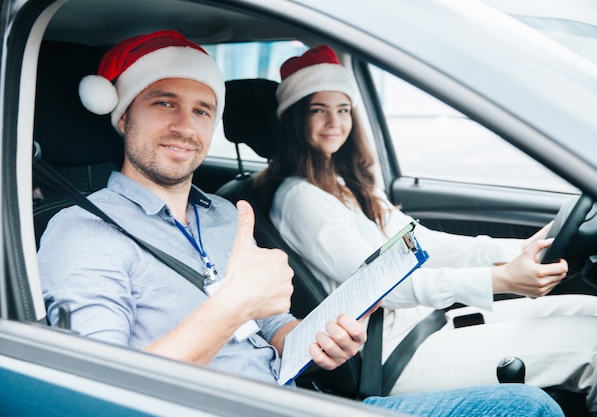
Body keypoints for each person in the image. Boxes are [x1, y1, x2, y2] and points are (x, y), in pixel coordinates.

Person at [37, 30, 565, 417]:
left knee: (524, 404)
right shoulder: (83, 233)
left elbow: (269, 332)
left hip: (291, 397)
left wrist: (317, 341)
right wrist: (234, 304)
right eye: (163, 102)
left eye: (202, 111)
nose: (184, 125)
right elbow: (97, 393)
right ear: (123, 114)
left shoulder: (224, 215)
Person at [255, 44, 597, 414]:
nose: (334, 123)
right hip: (388, 353)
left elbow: (424, 242)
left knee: (589, 313)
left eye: (343, 109)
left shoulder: (343, 183)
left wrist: (514, 251)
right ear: (293, 119)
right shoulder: (300, 198)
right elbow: (378, 286)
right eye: (317, 110)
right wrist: (500, 281)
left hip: (423, 323)